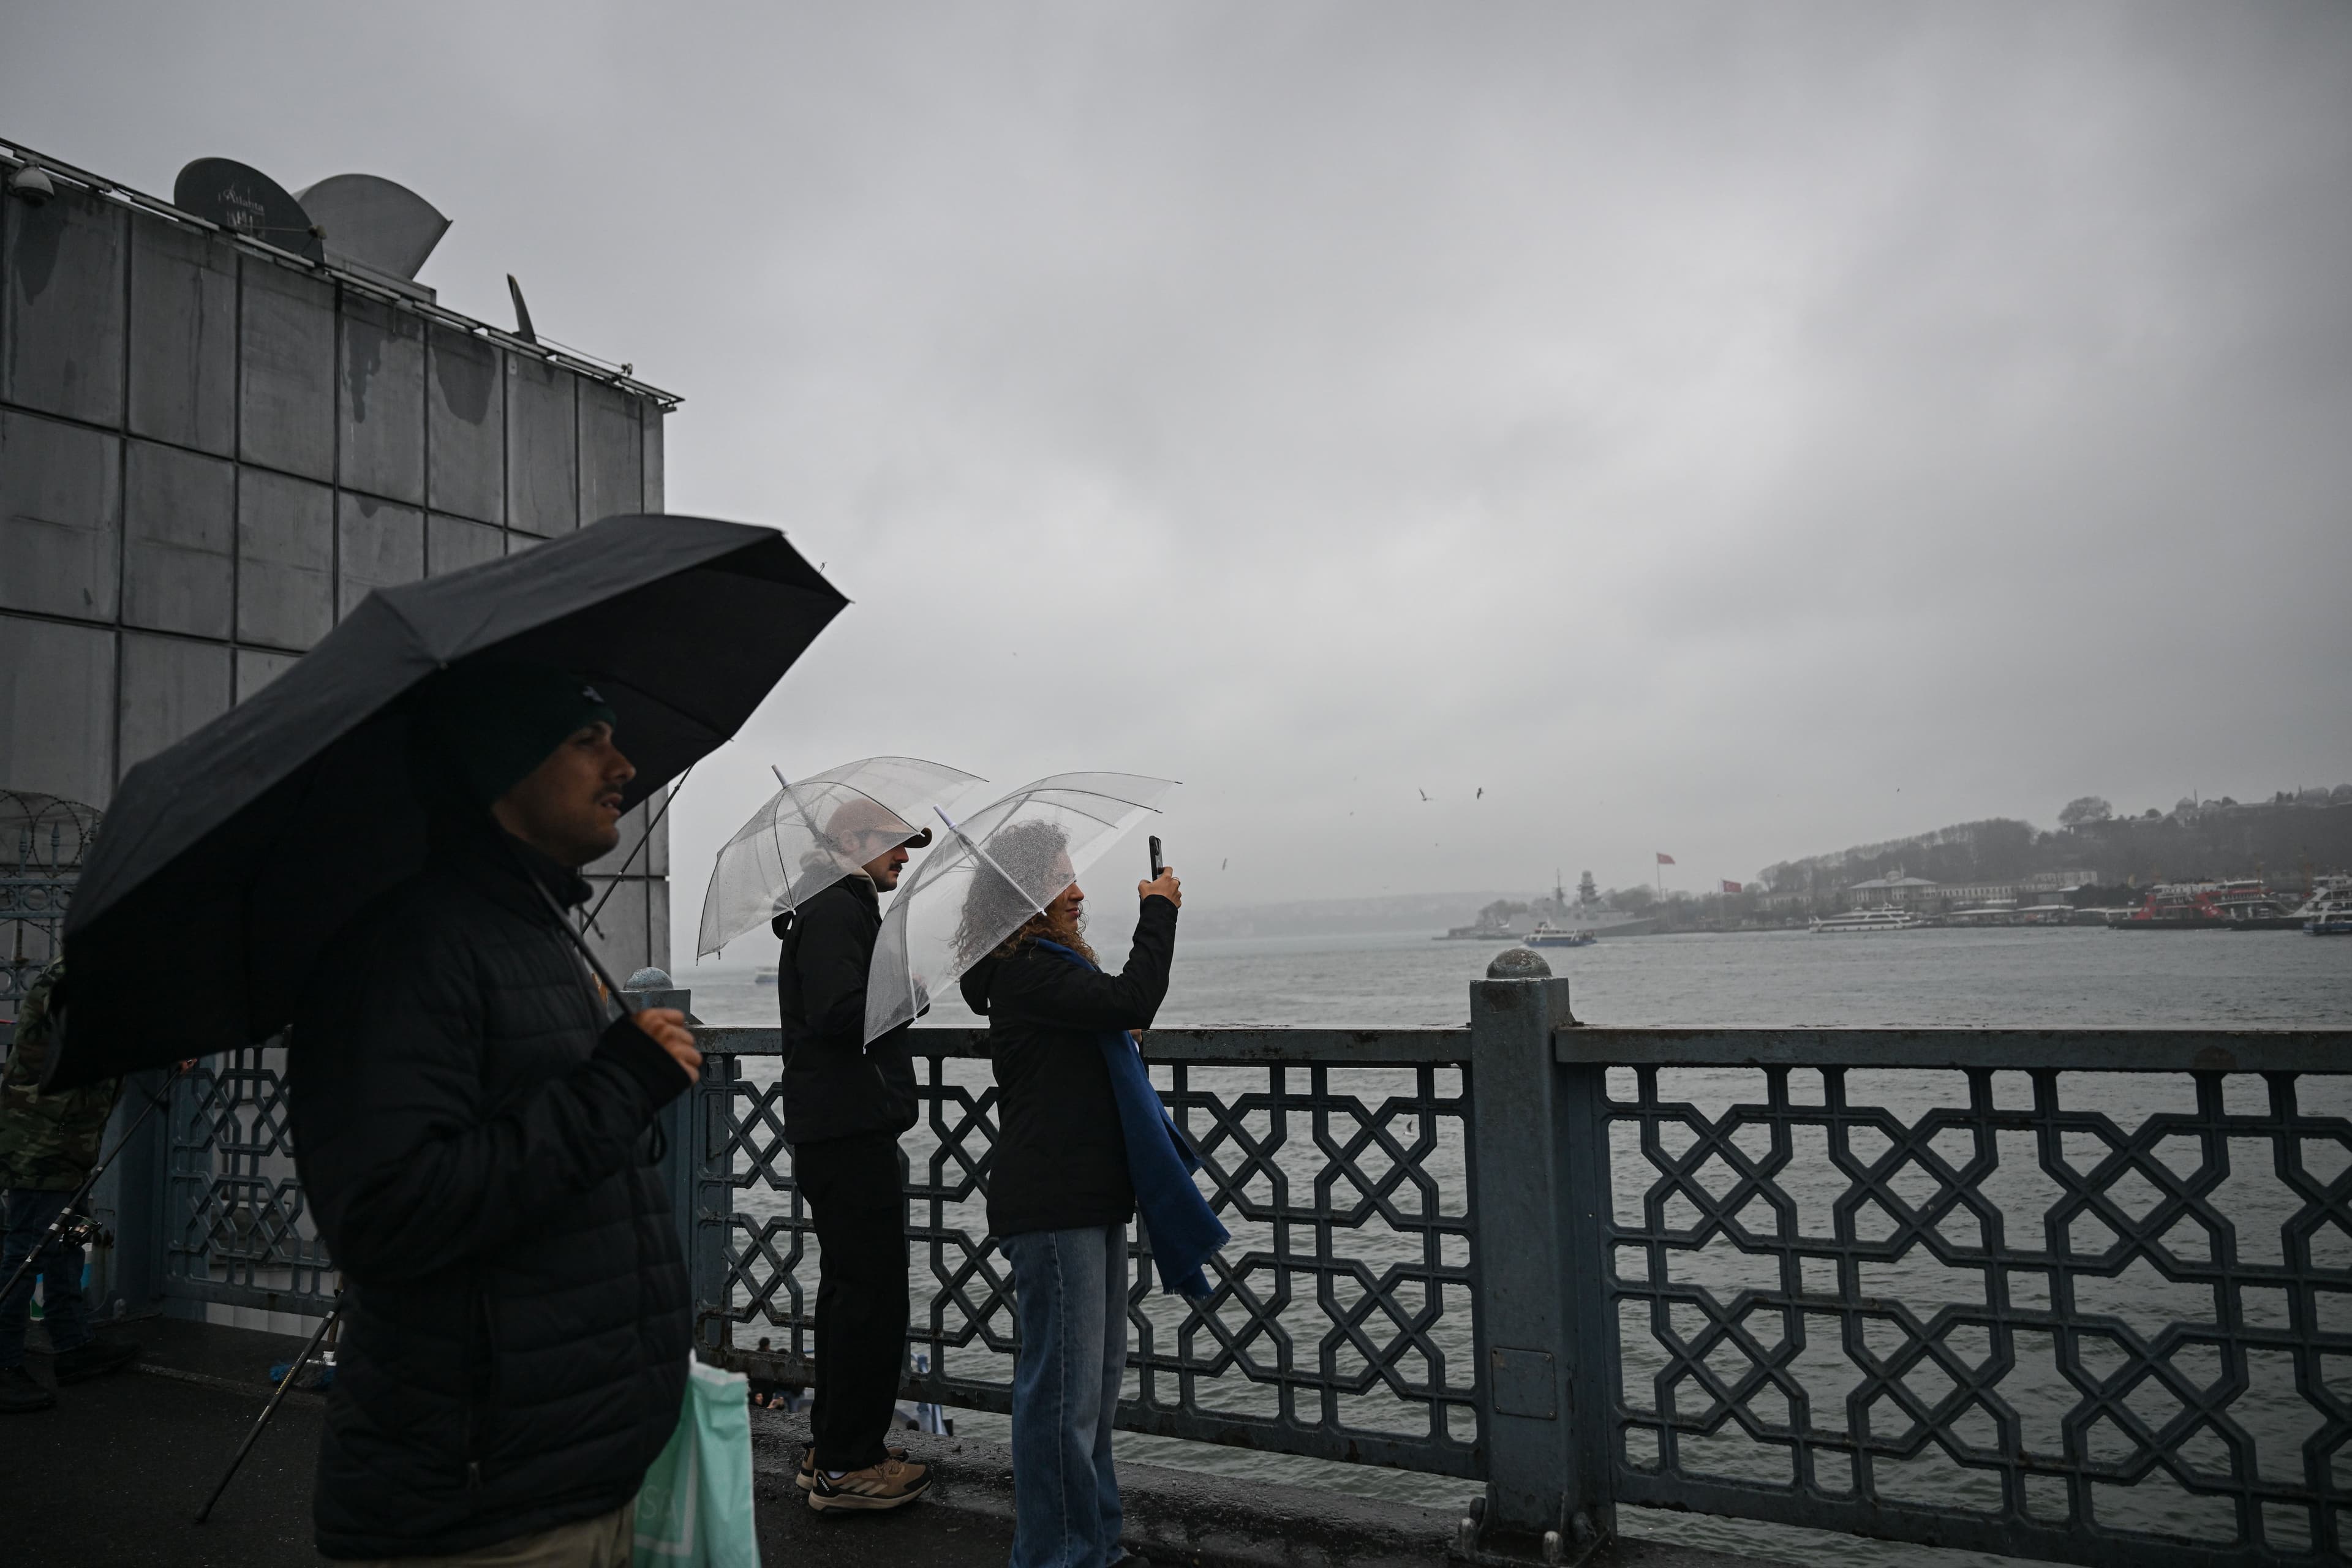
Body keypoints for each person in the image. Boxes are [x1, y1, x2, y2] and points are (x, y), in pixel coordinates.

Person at [286, 663, 703, 1566]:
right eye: (586, 741)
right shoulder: (409, 946)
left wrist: (621, 1080)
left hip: (571, 1473)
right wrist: (619, 1087)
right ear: (496, 768)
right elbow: (388, 1211)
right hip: (481, 1506)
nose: (624, 764)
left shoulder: (533, 932)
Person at [958, 824, 1181, 1568]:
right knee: (1061, 1397)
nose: (1080, 893)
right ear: (1025, 899)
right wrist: (1159, 909)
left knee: (1093, 1392)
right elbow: (1132, 994)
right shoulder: (1028, 974)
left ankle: (1095, 1545)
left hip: (1085, 1195)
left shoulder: (1042, 973)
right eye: (1063, 883)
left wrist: (1118, 1021)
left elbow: (1114, 1009)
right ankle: (1058, 1556)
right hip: (1056, 1205)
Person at [773, 797, 933, 1511]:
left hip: (835, 1129)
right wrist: (909, 990)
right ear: (848, 842)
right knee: (871, 1299)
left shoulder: (828, 906)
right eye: (893, 843)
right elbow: (841, 1012)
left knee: (848, 1296)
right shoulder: (838, 909)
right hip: (848, 1129)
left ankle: (832, 1447)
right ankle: (849, 1466)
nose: (904, 855)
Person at [0, 958, 143, 1415]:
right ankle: (2, 1365)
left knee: (66, 1239)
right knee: (27, 1250)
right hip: (40, 1136)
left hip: (69, 1136)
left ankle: (73, 1344)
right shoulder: (75, 978)